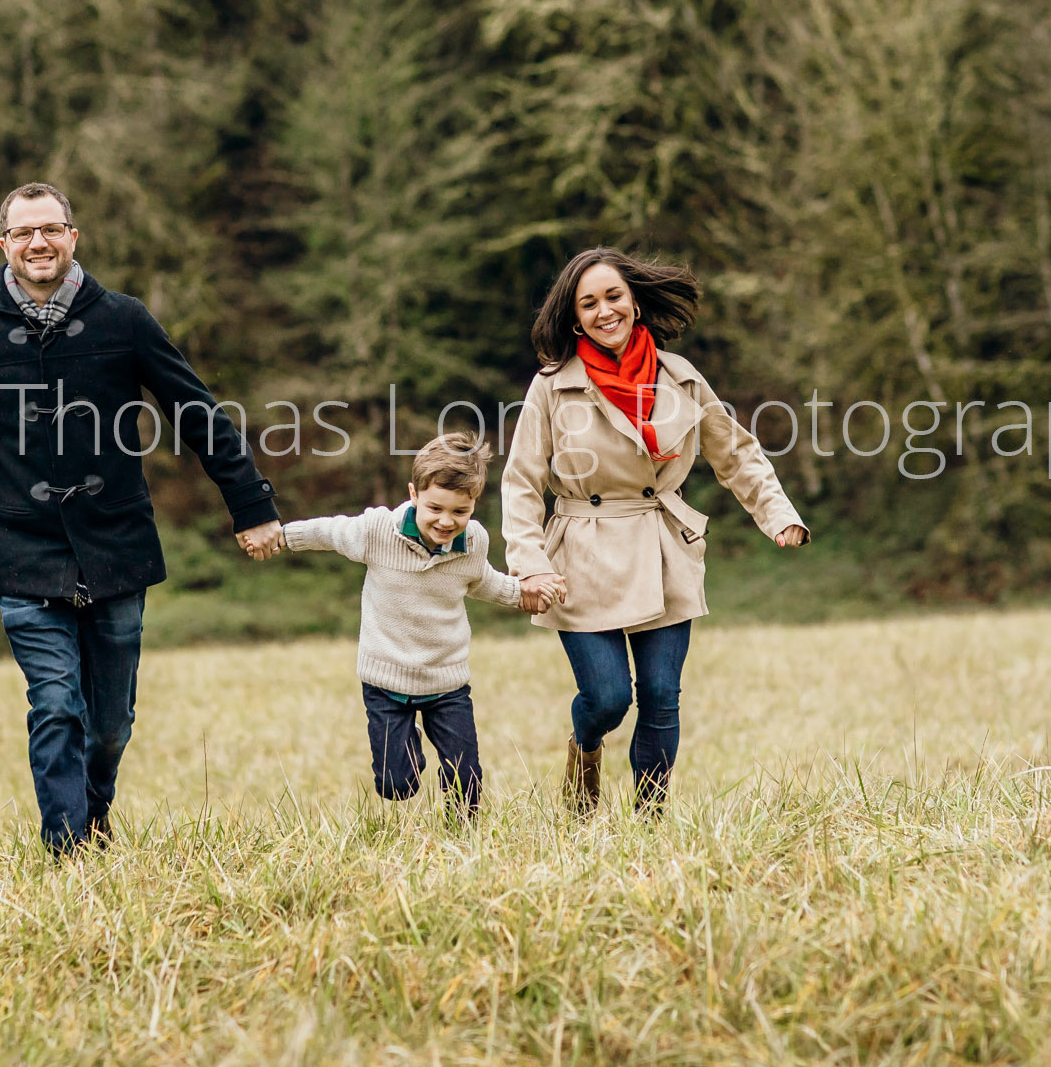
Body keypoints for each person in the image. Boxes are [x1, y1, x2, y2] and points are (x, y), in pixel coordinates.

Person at [0, 182, 284, 854]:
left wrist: (250, 504)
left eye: (51, 229)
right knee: (54, 706)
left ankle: (93, 812)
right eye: (24, 233)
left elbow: (197, 415)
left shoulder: (124, 320)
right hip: (25, 551)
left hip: (116, 547)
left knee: (109, 726)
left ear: (73, 237)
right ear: (4, 246)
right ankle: (68, 849)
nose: (38, 243)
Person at [500, 248, 809, 817]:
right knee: (608, 699)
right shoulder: (551, 387)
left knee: (662, 697)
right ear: (574, 318)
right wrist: (530, 563)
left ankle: (650, 821)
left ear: (635, 301)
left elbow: (735, 452)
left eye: (613, 297)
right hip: (578, 558)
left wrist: (778, 513)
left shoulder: (682, 378)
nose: (604, 311)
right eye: (588, 303)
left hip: (663, 545)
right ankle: (585, 752)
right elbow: (521, 482)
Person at [264, 433, 563, 819]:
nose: (446, 521)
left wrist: (521, 593)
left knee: (466, 779)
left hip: (446, 681)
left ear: (474, 505)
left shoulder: (473, 542)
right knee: (396, 785)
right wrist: (282, 537)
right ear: (414, 494)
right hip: (386, 681)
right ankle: (406, 746)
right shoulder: (376, 532)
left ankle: (463, 835)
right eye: (435, 507)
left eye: (460, 511)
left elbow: (483, 581)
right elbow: (330, 532)